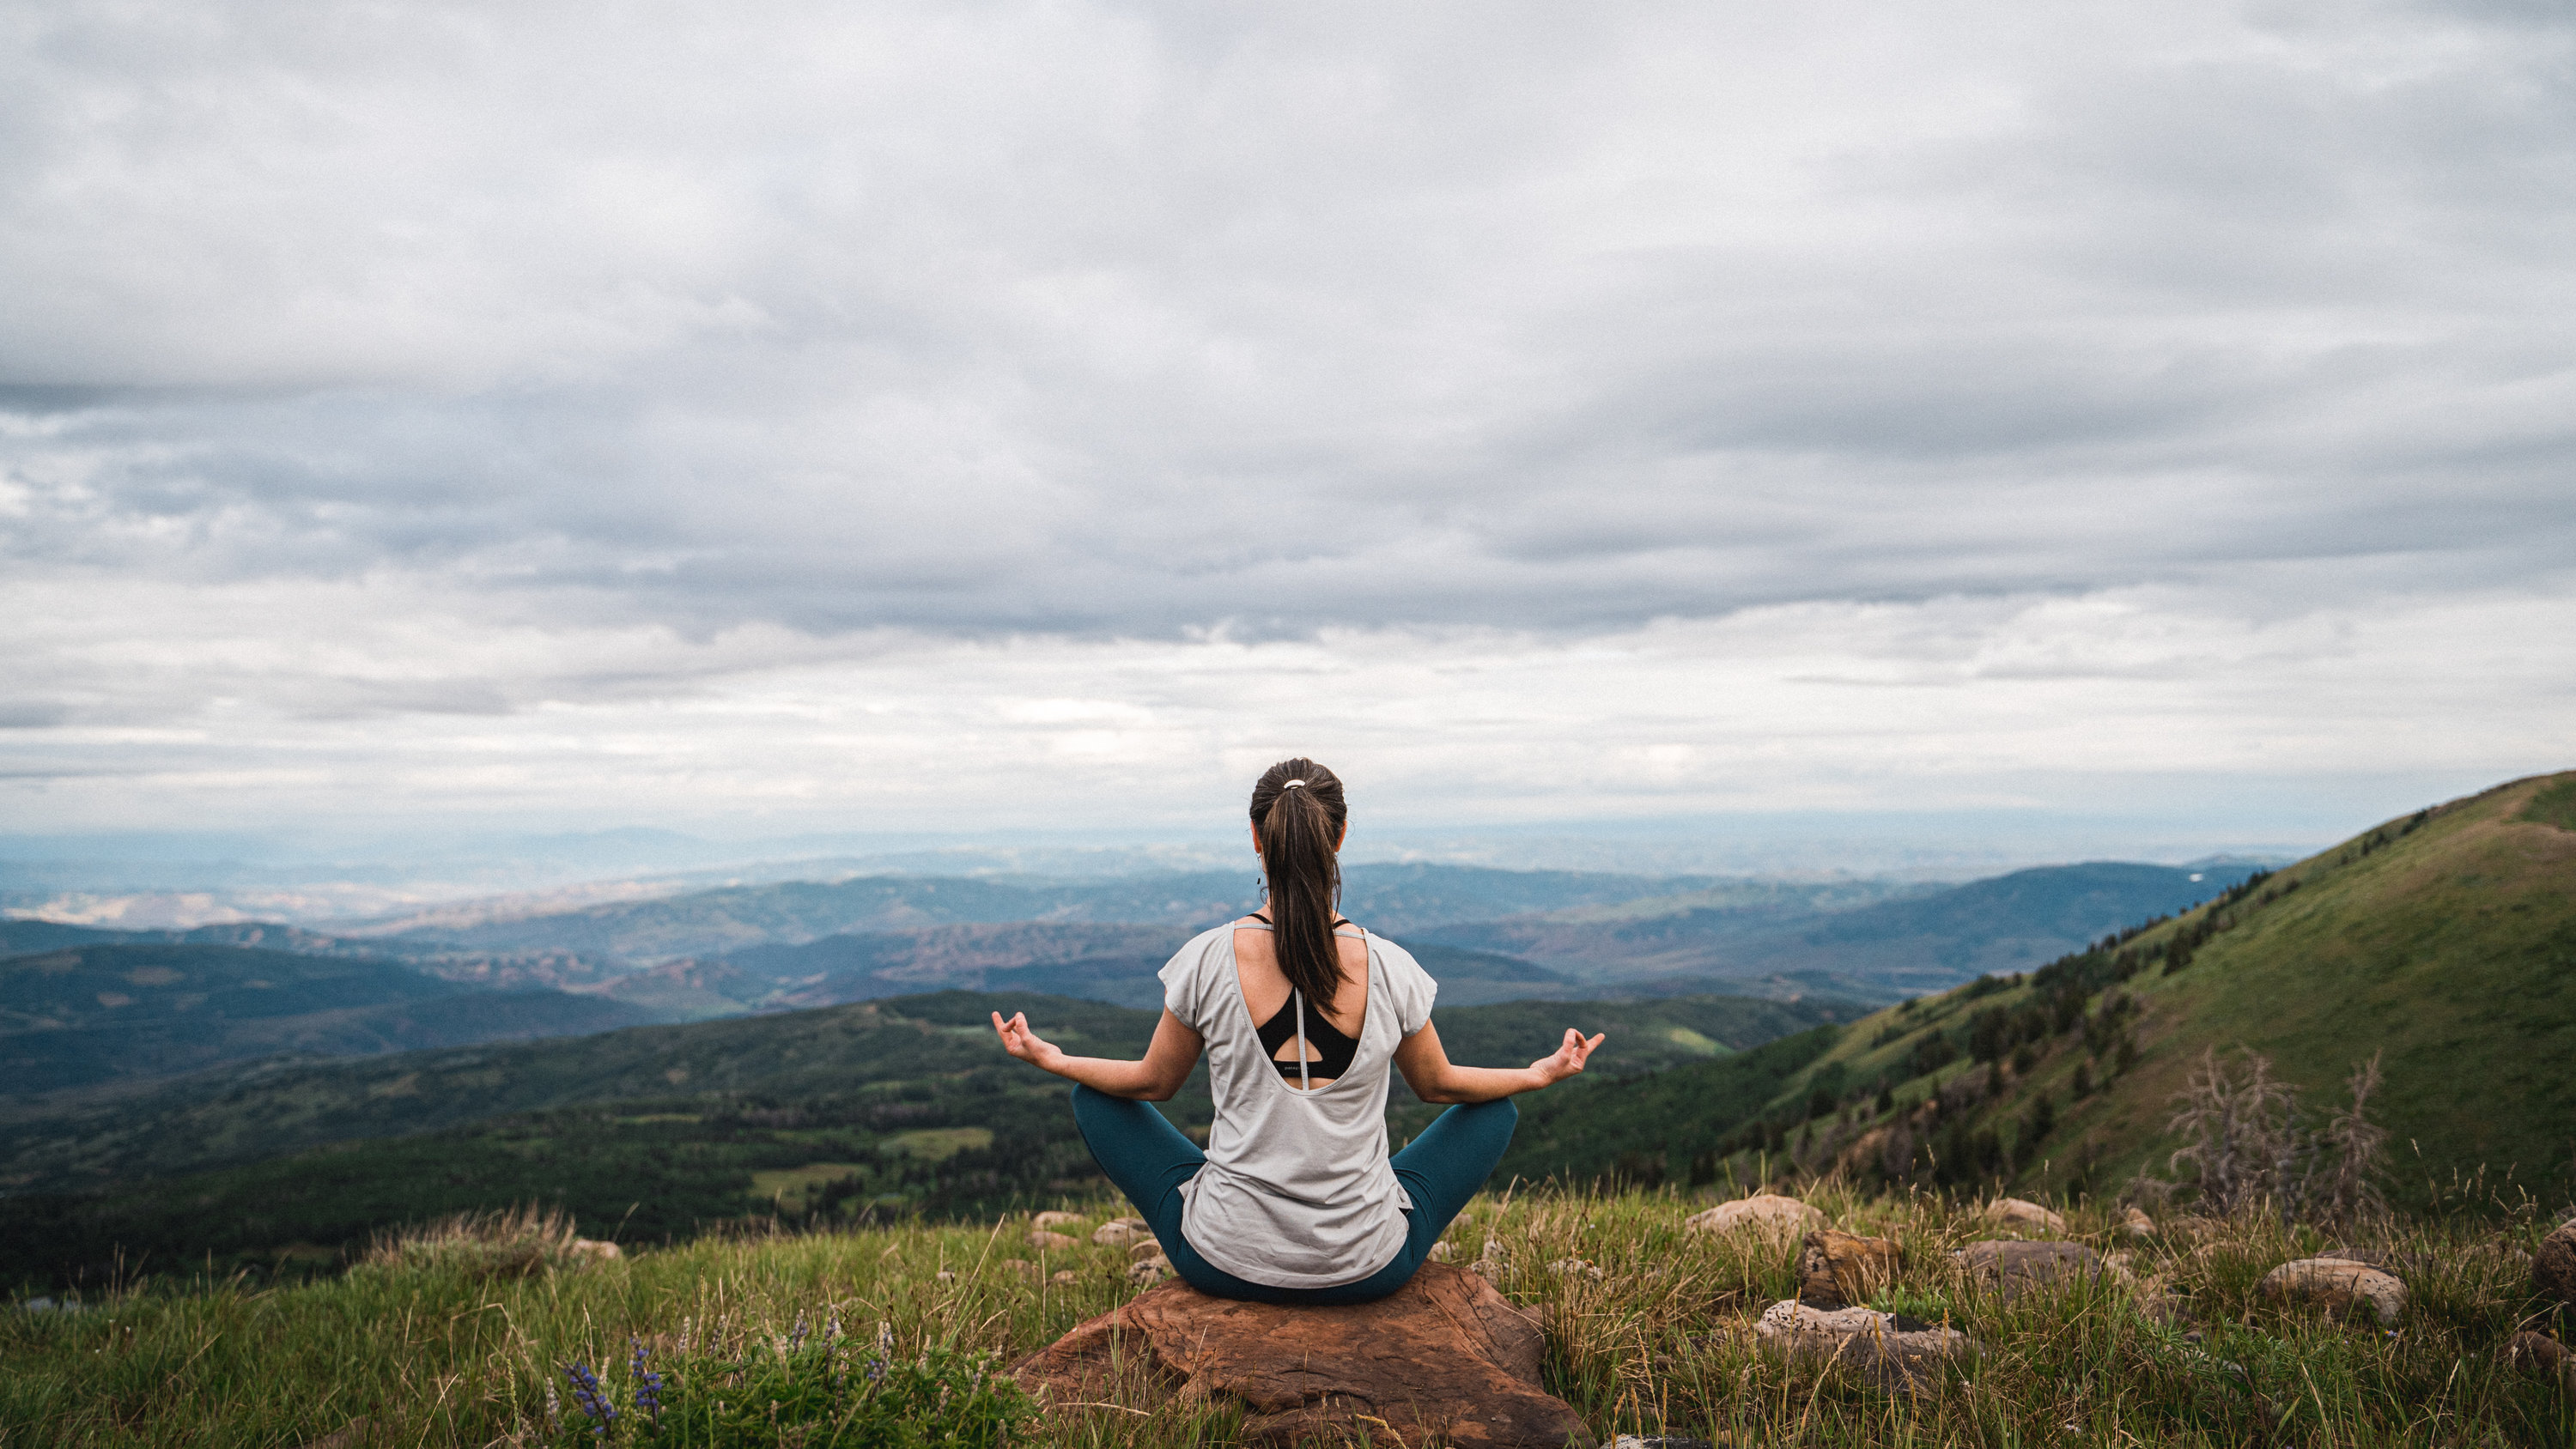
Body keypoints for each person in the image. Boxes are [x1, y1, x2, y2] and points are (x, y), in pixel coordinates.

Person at [989, 757, 1605, 1305]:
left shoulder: (1207, 958)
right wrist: (1536, 1074)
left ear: (1257, 838)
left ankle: (1233, 1220)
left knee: (1092, 1095)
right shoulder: (1390, 965)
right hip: (1367, 1267)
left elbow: (1153, 1082)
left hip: (1223, 1262)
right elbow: (1439, 1085)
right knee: (1496, 1111)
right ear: (1338, 836)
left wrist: (1051, 1057)